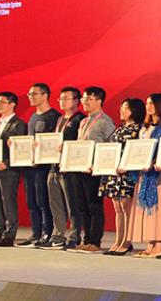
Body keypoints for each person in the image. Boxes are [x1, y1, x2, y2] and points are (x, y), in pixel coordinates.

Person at [67, 87, 116, 254]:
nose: (85, 102)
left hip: (94, 170)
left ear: (99, 101)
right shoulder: (83, 121)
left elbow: (111, 146)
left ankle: (95, 241)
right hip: (79, 168)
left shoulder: (105, 121)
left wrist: (98, 164)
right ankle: (86, 239)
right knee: (82, 206)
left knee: (94, 205)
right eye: (84, 99)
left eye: (89, 99)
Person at [129, 93, 161, 258]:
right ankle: (150, 244)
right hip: (143, 172)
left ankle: (159, 245)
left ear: (160, 106)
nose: (148, 107)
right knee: (145, 208)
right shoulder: (145, 127)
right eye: (147, 103)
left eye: (152, 104)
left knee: (158, 208)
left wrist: (154, 161)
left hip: (158, 173)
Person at [18, 83, 60, 248]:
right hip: (30, 166)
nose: (31, 97)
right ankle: (35, 233)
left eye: (34, 94)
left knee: (44, 201)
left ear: (45, 95)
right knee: (32, 201)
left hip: (44, 167)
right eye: (29, 94)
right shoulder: (33, 117)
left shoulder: (54, 116)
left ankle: (47, 233)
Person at [0, 91, 27, 247]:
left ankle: (9, 235)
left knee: (8, 202)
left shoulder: (19, 124)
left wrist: (7, 163)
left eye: (2, 102)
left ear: (12, 104)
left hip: (9, 170)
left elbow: (21, 148)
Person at [101, 98, 143, 256]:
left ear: (134, 110)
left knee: (126, 208)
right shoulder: (120, 128)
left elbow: (137, 152)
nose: (121, 111)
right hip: (114, 172)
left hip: (127, 172)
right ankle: (118, 240)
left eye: (125, 108)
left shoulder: (138, 129)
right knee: (117, 208)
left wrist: (125, 165)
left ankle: (127, 241)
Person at [44, 87, 84, 250]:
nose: (62, 101)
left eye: (66, 98)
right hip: (54, 166)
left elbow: (81, 144)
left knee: (72, 204)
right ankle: (58, 235)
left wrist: (66, 147)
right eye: (60, 99)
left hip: (70, 168)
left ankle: (74, 236)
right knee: (55, 204)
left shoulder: (80, 119)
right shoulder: (59, 119)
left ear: (76, 101)